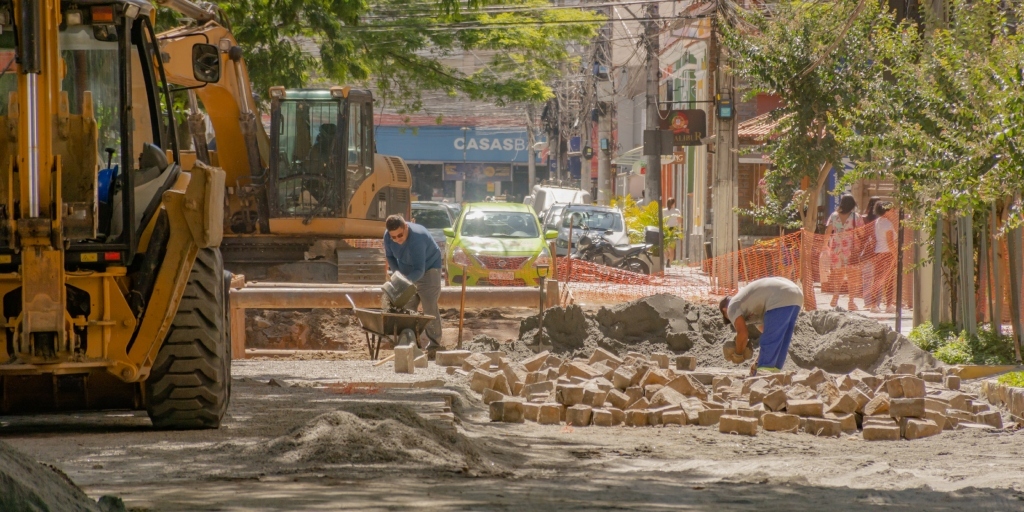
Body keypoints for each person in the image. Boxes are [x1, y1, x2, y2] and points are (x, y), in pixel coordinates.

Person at [383, 214, 444, 354]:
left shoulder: (417, 238)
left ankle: (434, 345)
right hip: (407, 268)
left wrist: (404, 283)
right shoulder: (388, 236)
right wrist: (398, 276)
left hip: (429, 269)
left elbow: (419, 270)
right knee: (407, 308)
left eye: (400, 235)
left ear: (406, 227)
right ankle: (410, 343)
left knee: (429, 306)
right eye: (394, 237)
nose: (397, 239)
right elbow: (390, 256)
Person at [719, 276, 804, 375]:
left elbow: (742, 334)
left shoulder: (731, 307)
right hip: (796, 294)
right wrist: (757, 362)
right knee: (782, 340)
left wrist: (738, 353)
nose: (732, 320)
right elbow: (771, 337)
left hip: (779, 296)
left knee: (771, 343)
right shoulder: (752, 309)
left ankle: (762, 380)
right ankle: (774, 377)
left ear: (725, 310)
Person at [823, 194, 862, 311]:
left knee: (838, 274)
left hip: (836, 248)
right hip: (851, 249)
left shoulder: (834, 216)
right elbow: (863, 233)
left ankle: (835, 296)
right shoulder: (856, 217)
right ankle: (851, 301)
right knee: (852, 276)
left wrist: (825, 246)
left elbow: (828, 231)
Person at [868, 201, 897, 313]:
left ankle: (874, 304)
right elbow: (890, 242)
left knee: (877, 279)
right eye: (891, 209)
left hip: (878, 252)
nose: (894, 211)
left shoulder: (877, 222)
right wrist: (896, 256)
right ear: (886, 211)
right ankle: (889, 304)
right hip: (887, 253)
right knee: (889, 280)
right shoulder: (887, 224)